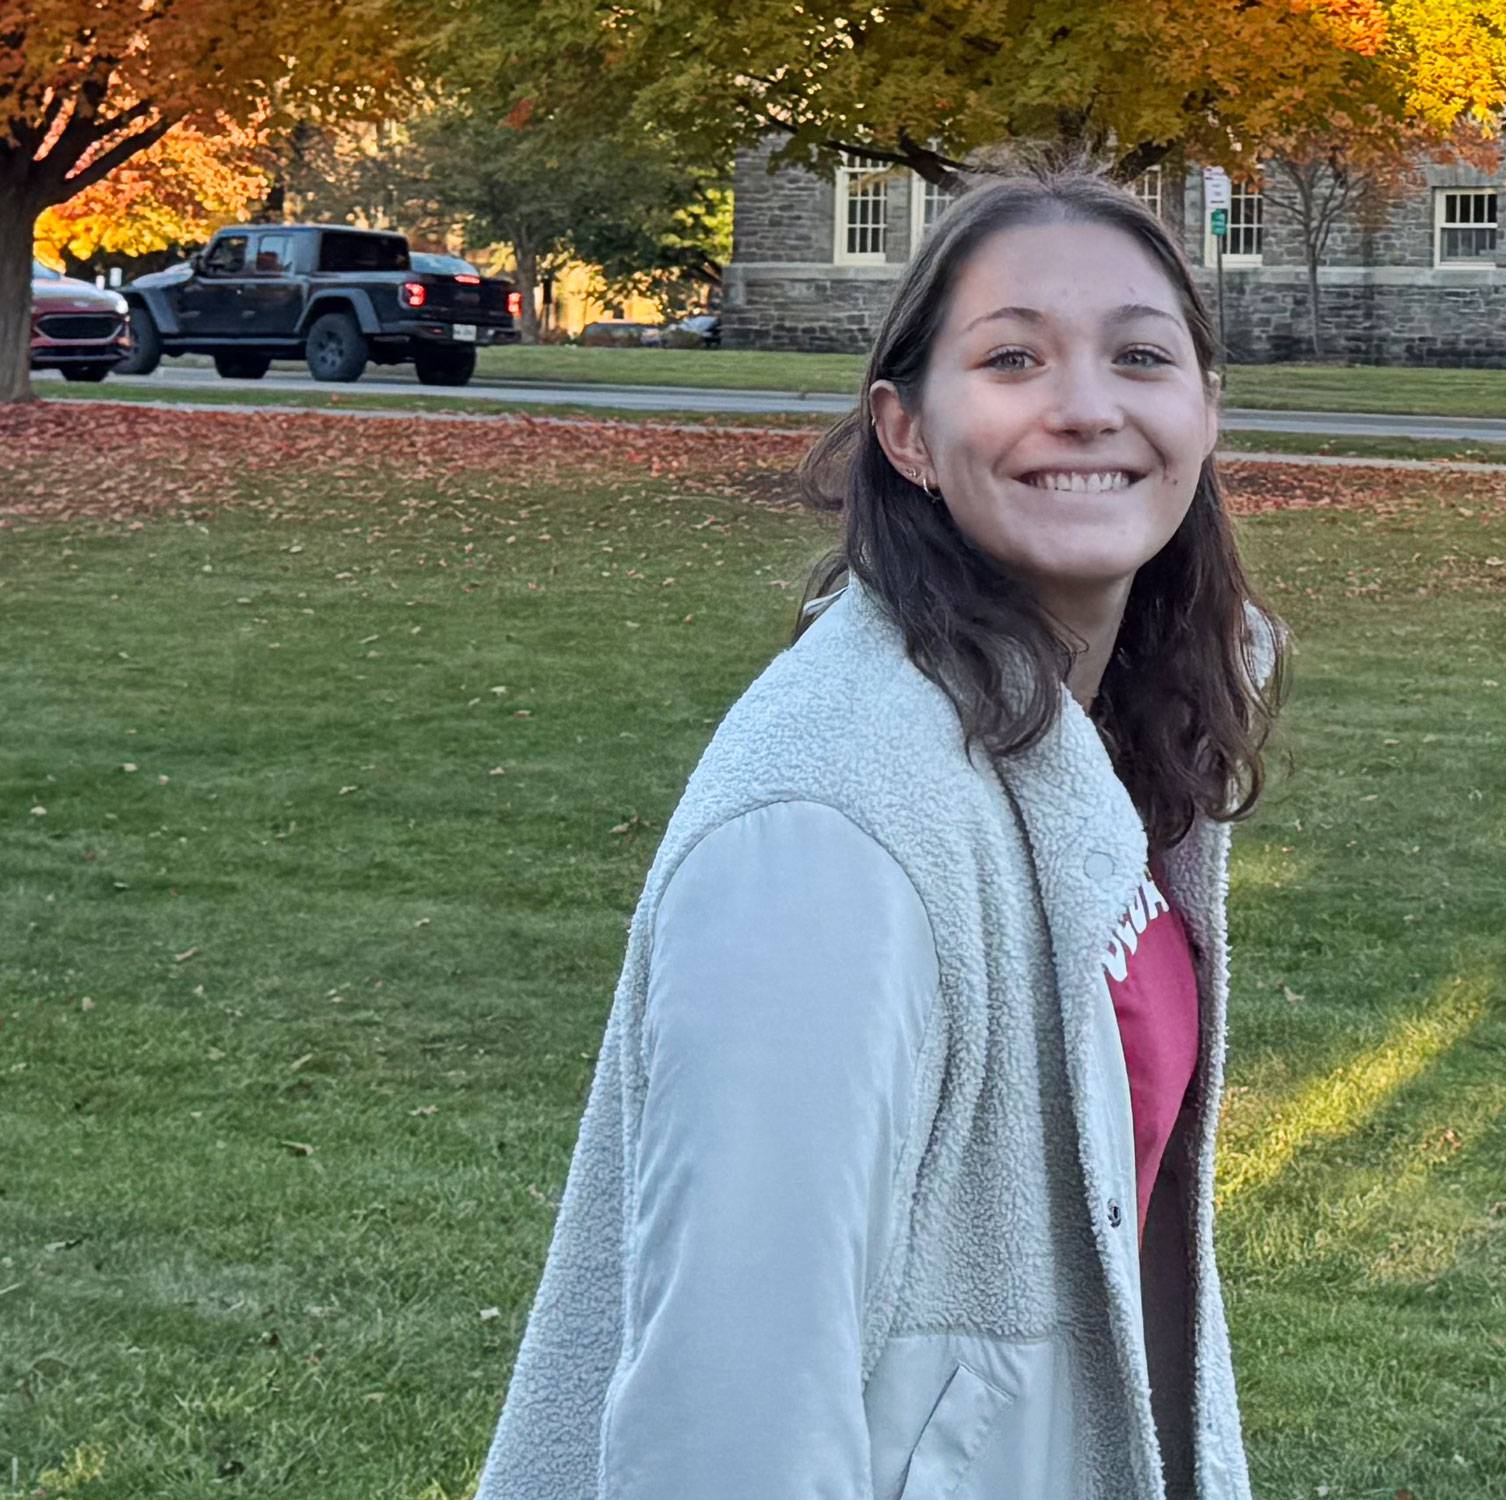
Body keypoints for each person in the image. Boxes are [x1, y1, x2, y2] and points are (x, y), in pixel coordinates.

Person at [471, 157, 1288, 1500]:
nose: (1088, 408)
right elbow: (728, 1416)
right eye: (1014, 359)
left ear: (1205, 412)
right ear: (905, 433)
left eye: (1141, 358)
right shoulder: (830, 832)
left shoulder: (1092, 744)